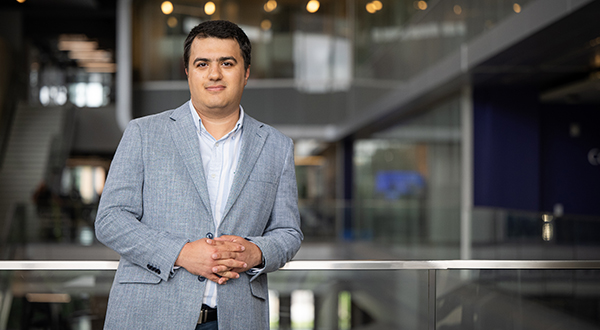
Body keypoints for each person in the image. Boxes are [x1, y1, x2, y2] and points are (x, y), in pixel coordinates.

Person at [95, 20, 303, 330]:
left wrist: (256, 252)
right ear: (188, 71)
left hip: (236, 319)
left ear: (246, 72)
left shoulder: (276, 146)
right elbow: (110, 220)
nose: (214, 73)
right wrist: (180, 253)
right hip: (148, 316)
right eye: (202, 63)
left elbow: (289, 232)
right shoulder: (143, 133)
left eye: (227, 63)